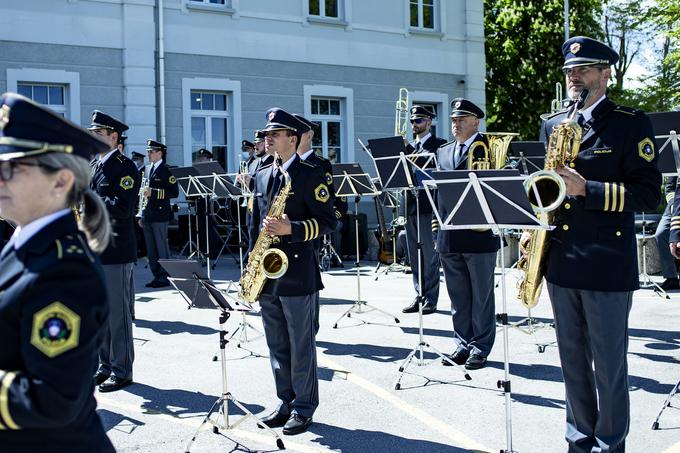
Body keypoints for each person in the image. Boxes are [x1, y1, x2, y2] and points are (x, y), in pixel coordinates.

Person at [525, 36, 661, 452]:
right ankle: (578, 440)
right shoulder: (553, 124)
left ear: (606, 74)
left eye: (583, 69)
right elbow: (547, 187)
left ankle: (609, 445)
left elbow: (648, 195)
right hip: (562, 260)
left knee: (609, 367)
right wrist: (535, 227)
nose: (574, 76)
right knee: (572, 363)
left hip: (605, 261)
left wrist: (590, 190)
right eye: (569, 71)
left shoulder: (629, 122)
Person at [0, 92, 115, 452]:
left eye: (10, 168)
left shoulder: (66, 272)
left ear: (61, 181)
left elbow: (53, 400)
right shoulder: (20, 242)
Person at [248, 108, 336, 435]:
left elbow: (329, 222)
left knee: (301, 345)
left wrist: (292, 228)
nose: (267, 138)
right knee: (276, 343)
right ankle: (284, 401)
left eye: (275, 134)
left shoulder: (312, 172)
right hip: (267, 271)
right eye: (266, 134)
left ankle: (303, 407)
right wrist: (250, 266)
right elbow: (254, 224)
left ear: (292, 138)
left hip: (298, 270)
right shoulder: (260, 172)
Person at [437, 99, 498, 370]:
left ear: (476, 121)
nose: (456, 124)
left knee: (481, 295)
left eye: (462, 119)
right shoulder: (443, 151)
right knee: (459, 296)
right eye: (453, 119)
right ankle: (462, 343)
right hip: (450, 232)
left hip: (479, 233)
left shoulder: (490, 147)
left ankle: (480, 347)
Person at [89, 110, 140, 392]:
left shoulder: (125, 167)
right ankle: (104, 364)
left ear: (113, 136)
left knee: (118, 316)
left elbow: (123, 207)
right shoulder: (93, 165)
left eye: (98, 134)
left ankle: (122, 370)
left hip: (116, 249)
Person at [401, 105, 447, 315]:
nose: (414, 125)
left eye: (418, 121)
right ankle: (419, 294)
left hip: (429, 205)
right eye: (412, 121)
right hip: (411, 204)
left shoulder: (440, 145)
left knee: (428, 254)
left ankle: (431, 298)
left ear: (429, 123)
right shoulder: (408, 147)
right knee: (414, 254)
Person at [139, 140, 179, 288]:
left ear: (160, 153)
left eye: (151, 151)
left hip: (160, 215)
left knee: (161, 247)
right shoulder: (147, 169)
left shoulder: (167, 170)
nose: (148, 154)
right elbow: (143, 194)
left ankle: (164, 276)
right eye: (148, 151)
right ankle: (156, 275)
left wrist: (153, 192)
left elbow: (174, 192)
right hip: (148, 214)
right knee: (151, 249)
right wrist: (141, 214)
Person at [655, 176, 679, 289]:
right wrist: (673, 204)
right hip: (674, 205)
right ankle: (671, 277)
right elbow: (669, 187)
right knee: (661, 234)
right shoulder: (676, 160)